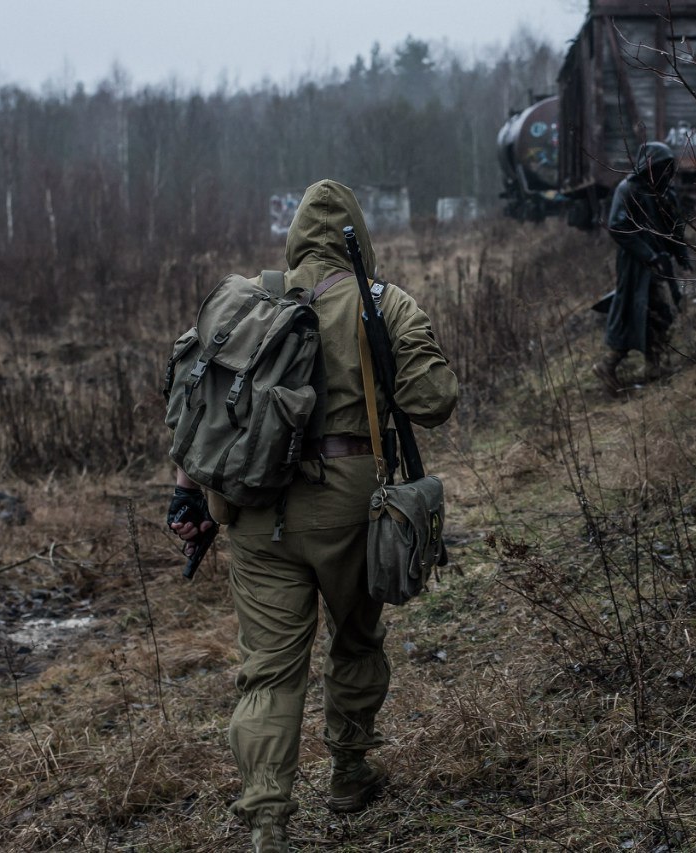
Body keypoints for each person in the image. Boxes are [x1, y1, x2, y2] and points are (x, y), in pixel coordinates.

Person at [168, 179, 459, 853]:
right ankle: (350, 774)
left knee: (268, 668)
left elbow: (196, 406)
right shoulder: (382, 302)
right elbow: (435, 399)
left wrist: (187, 492)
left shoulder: (246, 300)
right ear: (357, 232)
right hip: (346, 504)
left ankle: (268, 821)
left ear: (296, 236)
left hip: (252, 507)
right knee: (355, 640)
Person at [592, 141, 690, 397]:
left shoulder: (665, 191)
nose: (665, 173)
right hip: (636, 266)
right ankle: (609, 365)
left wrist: (681, 255)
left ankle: (654, 365)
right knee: (636, 312)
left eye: (668, 168)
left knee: (658, 313)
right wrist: (648, 255)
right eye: (660, 167)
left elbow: (674, 226)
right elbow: (618, 227)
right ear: (648, 166)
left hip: (659, 263)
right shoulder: (629, 189)